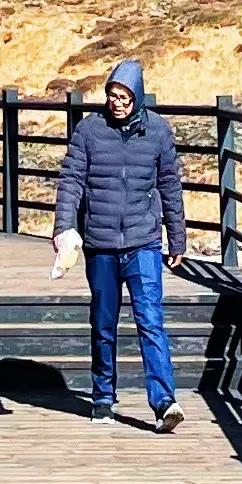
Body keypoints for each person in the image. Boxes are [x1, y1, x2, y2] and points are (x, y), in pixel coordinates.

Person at [50, 57, 186, 429]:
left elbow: (170, 186)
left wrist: (177, 239)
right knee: (104, 322)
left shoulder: (158, 132)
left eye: (125, 96)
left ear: (137, 96)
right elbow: (71, 181)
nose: (118, 102)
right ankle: (103, 398)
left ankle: (164, 403)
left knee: (151, 321)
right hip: (101, 243)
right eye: (112, 95)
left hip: (143, 242)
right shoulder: (89, 131)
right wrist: (63, 227)